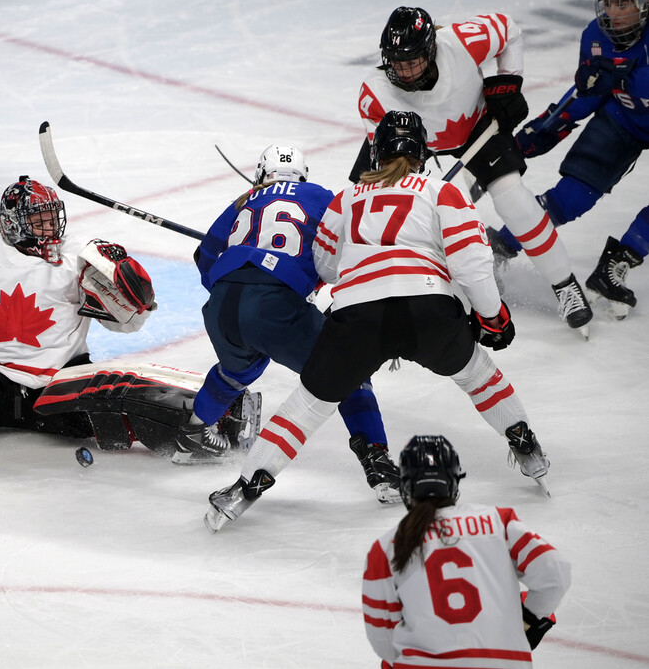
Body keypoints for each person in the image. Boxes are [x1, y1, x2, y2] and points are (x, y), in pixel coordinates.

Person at [205, 111, 551, 533]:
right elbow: (472, 263)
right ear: (423, 153)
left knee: (308, 406)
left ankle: (244, 489)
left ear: (375, 151)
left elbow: (327, 266)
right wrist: (493, 317)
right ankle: (526, 446)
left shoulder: (347, 198)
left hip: (358, 316)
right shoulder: (441, 191)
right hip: (428, 311)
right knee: (477, 374)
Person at [0, 176, 257, 462]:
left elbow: (128, 324)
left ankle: (221, 414)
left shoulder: (80, 258)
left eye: (53, 218)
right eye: (40, 220)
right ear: (14, 223)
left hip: (59, 382)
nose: (52, 228)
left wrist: (134, 293)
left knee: (125, 393)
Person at [350, 6, 593, 336]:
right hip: (411, 144)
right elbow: (386, 160)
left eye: (412, 61)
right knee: (374, 208)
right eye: (396, 62)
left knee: (513, 201)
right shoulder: (375, 94)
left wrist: (509, 83)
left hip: (479, 126)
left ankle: (564, 284)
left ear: (431, 50)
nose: (404, 72)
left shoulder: (461, 43)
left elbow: (509, 30)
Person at [190, 145, 400, 503]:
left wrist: (238, 280)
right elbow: (348, 250)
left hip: (221, 307)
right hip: (272, 303)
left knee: (236, 370)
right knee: (347, 369)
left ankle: (194, 434)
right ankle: (377, 462)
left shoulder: (244, 200)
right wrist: (292, 280)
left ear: (261, 174)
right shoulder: (321, 197)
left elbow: (205, 256)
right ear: (303, 174)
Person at [489, 0, 648, 321]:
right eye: (610, 2)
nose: (614, 11)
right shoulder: (595, 36)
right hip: (623, 119)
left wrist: (629, 77)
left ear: (644, 3)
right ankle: (499, 245)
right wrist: (537, 134)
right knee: (571, 198)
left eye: (624, 3)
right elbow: (586, 95)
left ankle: (617, 263)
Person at [362, 435, 571, 667]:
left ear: (406, 486)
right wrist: (524, 621)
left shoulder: (385, 547)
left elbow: (383, 642)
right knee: (523, 605)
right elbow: (555, 574)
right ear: (455, 480)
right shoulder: (498, 522)